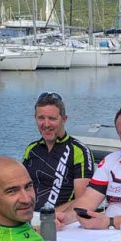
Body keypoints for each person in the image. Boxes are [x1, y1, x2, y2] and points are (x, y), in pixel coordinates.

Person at [22, 92, 94, 223]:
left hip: (62, 222)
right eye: (41, 118)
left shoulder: (79, 151)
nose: (46, 124)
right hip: (29, 220)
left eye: (52, 118)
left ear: (64, 119)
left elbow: (84, 200)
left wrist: (52, 217)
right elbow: (22, 188)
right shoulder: (31, 149)